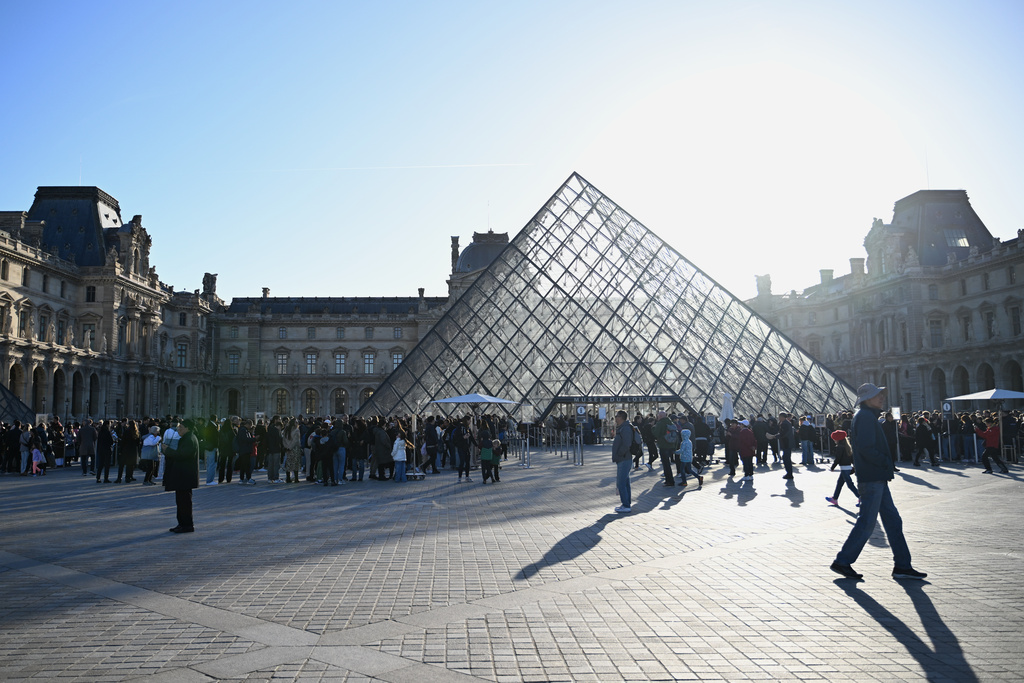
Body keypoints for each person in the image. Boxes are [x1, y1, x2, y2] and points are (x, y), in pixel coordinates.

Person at [831, 384, 927, 581]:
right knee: (867, 522)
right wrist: (885, 462)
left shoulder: (867, 416)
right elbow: (866, 448)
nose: (882, 397)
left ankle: (902, 565)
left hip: (877, 477)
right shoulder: (865, 417)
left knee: (893, 521)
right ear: (867, 399)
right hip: (873, 477)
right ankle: (843, 561)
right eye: (877, 395)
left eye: (881, 393)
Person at [163, 418, 200, 533]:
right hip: (183, 475)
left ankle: (187, 525)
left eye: (181, 427)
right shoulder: (186, 438)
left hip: (185, 475)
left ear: (188, 428)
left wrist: (167, 450)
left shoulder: (189, 439)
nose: (179, 429)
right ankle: (182, 523)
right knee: (181, 501)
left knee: (184, 502)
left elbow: (182, 455)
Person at [825, 430, 859, 507]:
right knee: (840, 483)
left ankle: (861, 497)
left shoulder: (839, 447)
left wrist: (833, 467)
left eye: (834, 439)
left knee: (850, 484)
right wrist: (854, 467)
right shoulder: (847, 446)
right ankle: (835, 498)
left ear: (838, 439)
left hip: (844, 468)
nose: (833, 440)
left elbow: (838, 459)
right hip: (847, 467)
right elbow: (851, 458)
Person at [611, 410, 633, 513]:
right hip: (624, 458)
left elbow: (627, 443)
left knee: (621, 483)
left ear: (621, 417)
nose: (615, 418)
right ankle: (626, 503)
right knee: (625, 482)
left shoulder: (625, 428)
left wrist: (619, 454)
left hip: (624, 458)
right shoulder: (623, 427)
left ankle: (626, 505)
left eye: (617, 416)